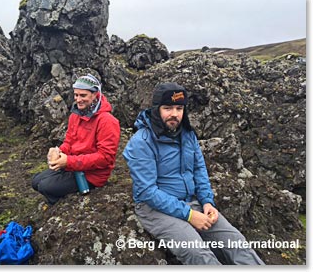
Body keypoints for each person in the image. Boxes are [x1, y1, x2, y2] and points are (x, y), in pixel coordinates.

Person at [123, 82, 264, 265]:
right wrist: (189, 215)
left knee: (237, 243)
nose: (174, 114)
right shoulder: (141, 142)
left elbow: (199, 170)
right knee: (198, 253)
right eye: (167, 108)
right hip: (154, 209)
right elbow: (146, 192)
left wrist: (207, 201)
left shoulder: (188, 134)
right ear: (156, 109)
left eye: (179, 108)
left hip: (191, 202)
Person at [32, 74, 120, 206]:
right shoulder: (76, 115)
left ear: (95, 94)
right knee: (35, 181)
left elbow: (105, 158)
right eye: (76, 95)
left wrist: (68, 161)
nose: (78, 100)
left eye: (83, 95)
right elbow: (69, 142)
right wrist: (59, 151)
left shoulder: (107, 121)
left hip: (92, 175)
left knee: (45, 186)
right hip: (74, 166)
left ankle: (65, 205)